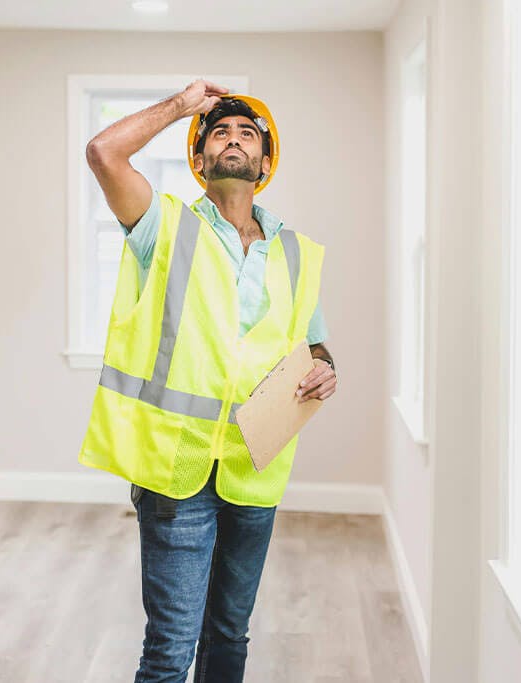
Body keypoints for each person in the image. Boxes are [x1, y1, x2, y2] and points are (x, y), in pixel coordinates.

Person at [79, 79, 337, 683]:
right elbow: (103, 153)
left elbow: (314, 343)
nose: (233, 139)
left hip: (256, 464)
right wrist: (180, 107)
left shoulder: (297, 254)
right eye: (219, 131)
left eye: (247, 133)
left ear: (264, 163)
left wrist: (326, 368)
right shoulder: (163, 227)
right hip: (178, 467)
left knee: (229, 635)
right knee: (170, 648)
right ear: (199, 160)